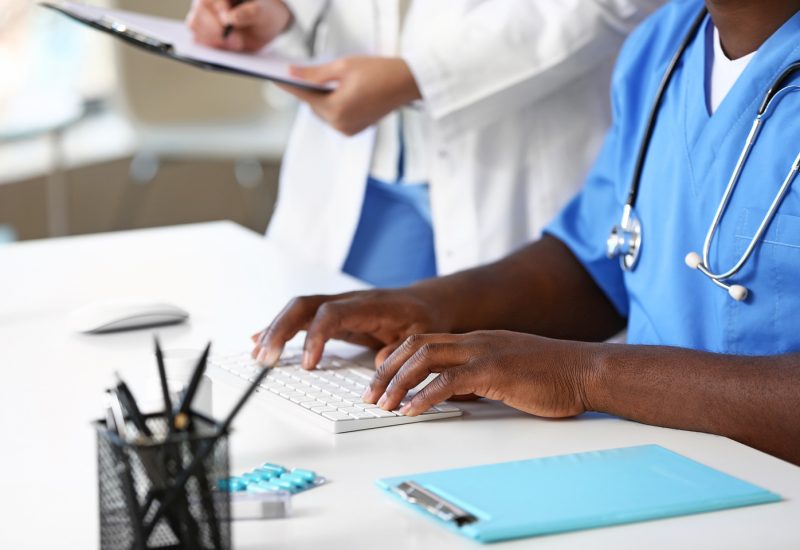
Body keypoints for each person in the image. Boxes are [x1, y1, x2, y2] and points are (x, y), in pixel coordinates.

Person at [250, 0, 800, 466]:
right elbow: (595, 263)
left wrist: (584, 376)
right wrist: (428, 307)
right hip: (660, 463)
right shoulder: (664, 45)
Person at [187, 0, 661, 287]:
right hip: (360, 176)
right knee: (319, 388)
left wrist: (424, 77)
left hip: (514, 159)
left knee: (501, 415)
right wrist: (279, 13)